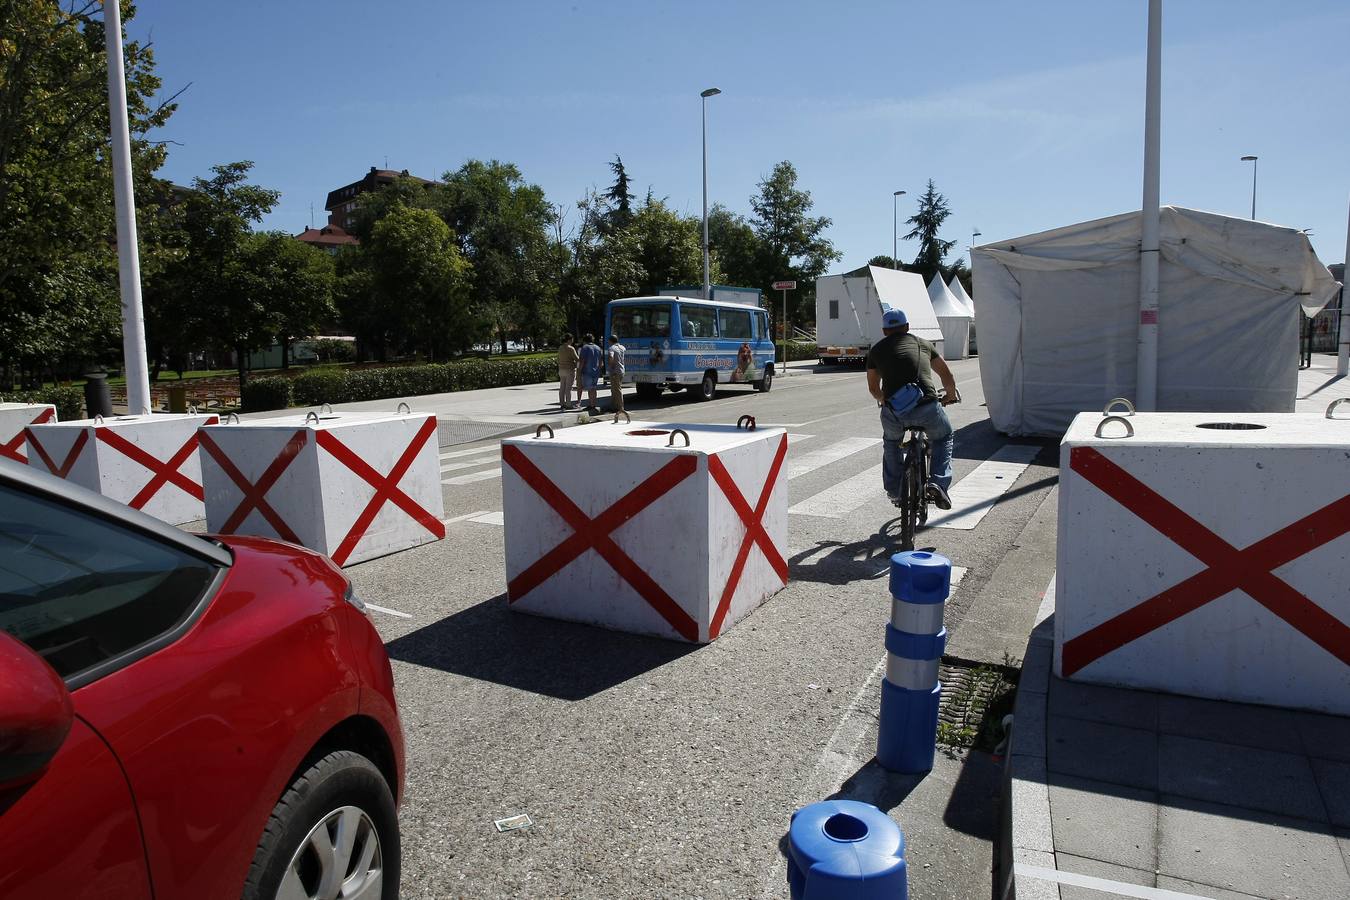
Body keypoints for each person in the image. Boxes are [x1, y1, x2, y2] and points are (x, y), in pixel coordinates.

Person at [865, 308, 961, 510]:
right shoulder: (923, 344)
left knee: (891, 443)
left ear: (884, 331)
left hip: (894, 412)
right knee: (944, 437)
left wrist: (885, 400)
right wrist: (950, 396)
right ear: (907, 327)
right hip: (926, 406)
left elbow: (874, 388)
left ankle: (895, 491)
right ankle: (938, 483)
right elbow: (946, 374)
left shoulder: (875, 351)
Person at [577, 333, 602, 412]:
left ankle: (591, 405)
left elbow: (582, 361)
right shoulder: (598, 348)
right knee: (594, 388)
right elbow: (601, 361)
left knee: (590, 389)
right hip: (596, 371)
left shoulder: (585, 348)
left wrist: (579, 370)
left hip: (587, 371)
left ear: (585, 340)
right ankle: (593, 404)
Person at [557, 333, 580, 410]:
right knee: (568, 388)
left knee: (562, 387)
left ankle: (562, 403)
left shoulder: (560, 348)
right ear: (569, 340)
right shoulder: (571, 348)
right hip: (569, 370)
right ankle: (569, 404)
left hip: (561, 369)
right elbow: (577, 359)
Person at [607, 334, 626, 412]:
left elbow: (611, 357)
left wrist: (611, 366)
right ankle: (614, 406)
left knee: (617, 389)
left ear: (610, 341)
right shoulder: (622, 347)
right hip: (621, 370)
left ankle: (620, 407)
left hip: (615, 371)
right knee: (615, 389)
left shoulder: (611, 348)